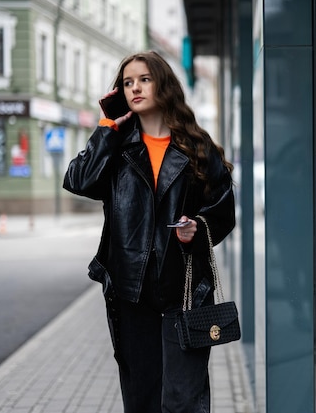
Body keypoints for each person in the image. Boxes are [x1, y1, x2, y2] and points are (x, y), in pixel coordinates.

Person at [63, 51, 235, 413]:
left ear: (163, 84)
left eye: (144, 79)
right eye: (127, 83)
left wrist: (196, 227)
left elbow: (223, 211)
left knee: (184, 399)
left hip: (184, 289)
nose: (135, 88)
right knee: (141, 398)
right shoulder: (117, 146)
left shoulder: (196, 146)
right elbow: (78, 180)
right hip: (131, 291)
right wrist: (107, 126)